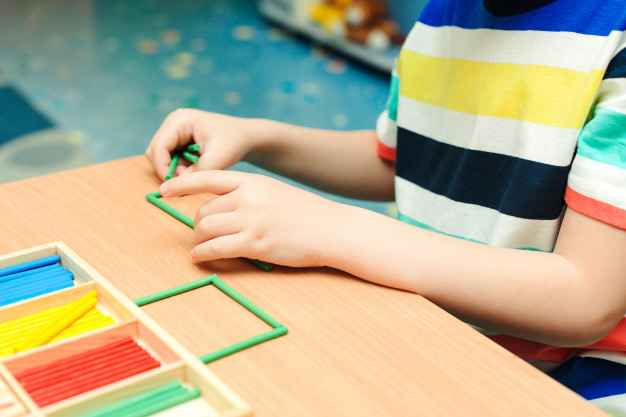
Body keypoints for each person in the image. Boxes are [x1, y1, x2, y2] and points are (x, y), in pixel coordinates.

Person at [147, 0, 626, 409]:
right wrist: (258, 137)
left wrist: (332, 229)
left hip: (567, 385)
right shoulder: (446, 13)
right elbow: (402, 163)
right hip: (429, 337)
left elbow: (584, 298)